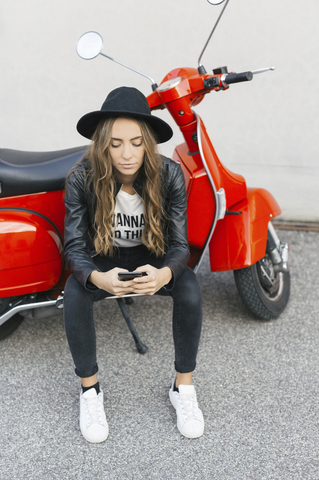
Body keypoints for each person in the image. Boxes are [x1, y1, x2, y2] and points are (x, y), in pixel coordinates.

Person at [63, 86, 204, 443]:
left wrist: (166, 273)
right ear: (102, 144)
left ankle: (182, 388)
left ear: (148, 143)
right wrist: (97, 277)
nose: (127, 154)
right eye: (116, 143)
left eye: (136, 142)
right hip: (104, 257)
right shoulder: (81, 177)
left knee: (188, 287)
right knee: (75, 292)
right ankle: (90, 391)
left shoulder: (170, 175)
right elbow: (74, 247)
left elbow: (179, 245)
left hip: (151, 255)